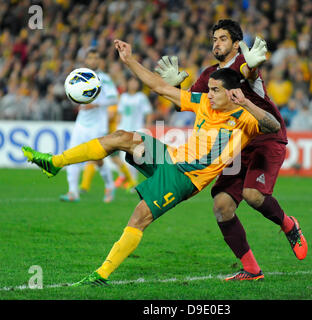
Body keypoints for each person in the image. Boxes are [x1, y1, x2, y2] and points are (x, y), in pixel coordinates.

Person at [22, 39, 281, 286]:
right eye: (209, 89)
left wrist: (246, 101)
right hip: (168, 157)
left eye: (215, 90)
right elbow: (160, 87)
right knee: (121, 137)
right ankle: (55, 163)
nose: (209, 94)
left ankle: (101, 274)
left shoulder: (244, 118)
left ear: (232, 92)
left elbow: (273, 125)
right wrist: (129, 60)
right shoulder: (204, 103)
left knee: (140, 216)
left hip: (184, 177)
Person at [155, 19, 307, 281]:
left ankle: (289, 225)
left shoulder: (244, 64)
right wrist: (175, 87)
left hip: (265, 137)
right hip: (236, 142)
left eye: (223, 38)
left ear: (237, 44)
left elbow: (249, 73)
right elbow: (187, 103)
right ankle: (252, 270)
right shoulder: (209, 75)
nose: (216, 43)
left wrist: (254, 65)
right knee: (222, 206)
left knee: (252, 195)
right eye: (214, 38)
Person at [60, 48, 118, 203]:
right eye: (90, 57)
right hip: (81, 123)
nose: (93, 60)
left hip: (98, 125)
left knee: (97, 159)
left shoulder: (104, 79)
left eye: (96, 57)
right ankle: (73, 191)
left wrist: (96, 103)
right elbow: (71, 94)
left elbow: (114, 99)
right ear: (86, 60)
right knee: (71, 154)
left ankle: (109, 185)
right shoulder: (78, 76)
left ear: (99, 60)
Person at [112, 76, 153, 189]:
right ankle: (124, 177)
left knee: (134, 157)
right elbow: (119, 114)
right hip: (123, 129)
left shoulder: (141, 97)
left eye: (135, 81)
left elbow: (148, 113)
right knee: (119, 156)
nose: (133, 84)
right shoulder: (123, 97)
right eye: (131, 81)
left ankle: (131, 182)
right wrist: (116, 127)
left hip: (137, 130)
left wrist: (146, 128)